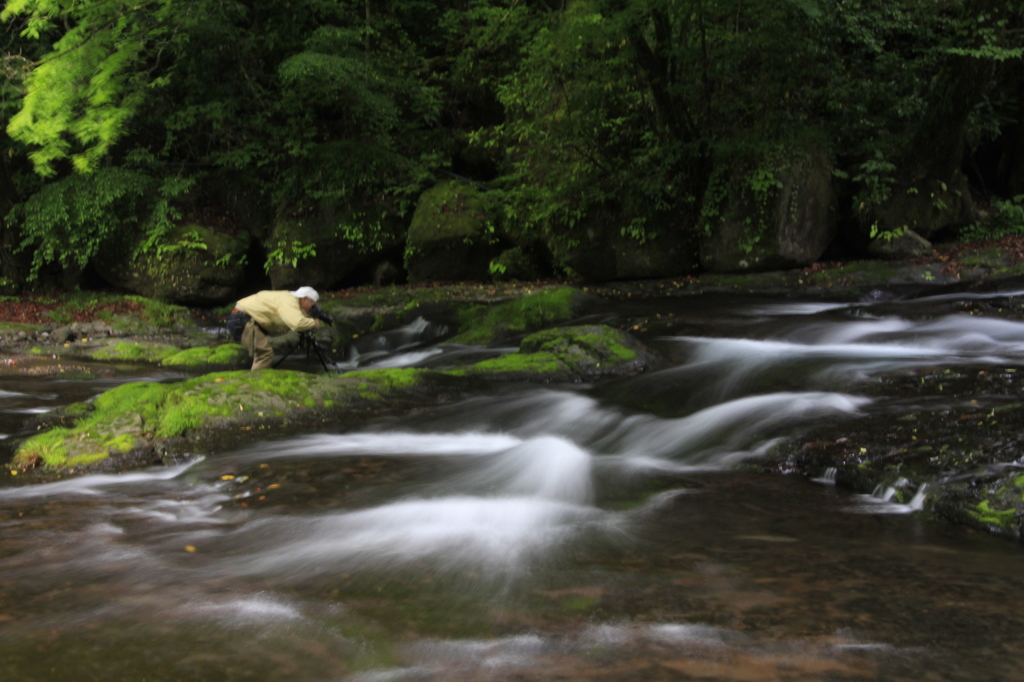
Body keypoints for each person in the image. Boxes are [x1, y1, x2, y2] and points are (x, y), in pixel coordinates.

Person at [226, 286, 322, 370]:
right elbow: (297, 323)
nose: (311, 309)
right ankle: (255, 386)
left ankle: (255, 380)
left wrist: (304, 319)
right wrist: (314, 323)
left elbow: (286, 321)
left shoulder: (286, 298)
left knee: (262, 353)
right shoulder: (289, 300)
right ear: (304, 299)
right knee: (264, 354)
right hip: (243, 320)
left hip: (239, 318)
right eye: (312, 305)